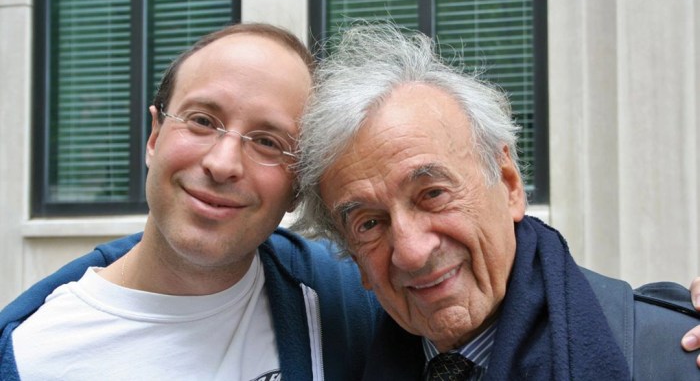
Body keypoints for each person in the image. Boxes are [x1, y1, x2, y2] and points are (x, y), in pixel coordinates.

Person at [291, 23, 700, 380]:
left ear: (509, 185)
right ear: (354, 259)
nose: (412, 253)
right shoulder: (339, 361)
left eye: (432, 194)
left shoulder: (672, 353)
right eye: (369, 223)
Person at [0, 23, 380, 380]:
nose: (222, 164)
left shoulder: (353, 302)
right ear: (154, 137)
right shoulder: (31, 354)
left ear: (297, 188)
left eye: (268, 142)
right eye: (202, 121)